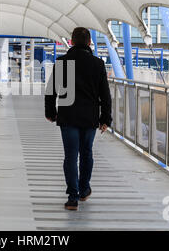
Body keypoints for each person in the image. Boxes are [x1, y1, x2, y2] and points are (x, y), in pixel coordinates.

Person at [45, 27, 112, 211]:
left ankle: (72, 197)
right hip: (90, 117)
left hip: (68, 116)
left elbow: (51, 91)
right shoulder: (97, 64)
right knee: (87, 153)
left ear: (72, 42)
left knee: (71, 156)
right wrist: (106, 118)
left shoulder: (62, 62)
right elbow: (105, 95)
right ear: (90, 42)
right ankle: (84, 190)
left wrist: (50, 112)